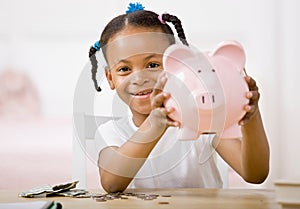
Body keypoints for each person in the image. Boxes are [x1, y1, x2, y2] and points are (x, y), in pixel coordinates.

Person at [88, 3, 270, 193]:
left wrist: (251, 115)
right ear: (110, 78)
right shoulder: (111, 132)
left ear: (178, 66)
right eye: (124, 69)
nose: (140, 78)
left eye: (152, 65)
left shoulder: (203, 118)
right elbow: (111, 184)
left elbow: (255, 175)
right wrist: (156, 124)